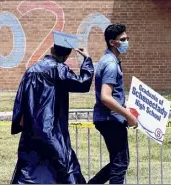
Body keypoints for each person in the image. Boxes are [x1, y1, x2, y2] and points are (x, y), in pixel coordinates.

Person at [10, 31, 94, 184]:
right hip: (52, 131)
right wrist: (87, 60)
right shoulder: (59, 69)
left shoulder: (31, 70)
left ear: (52, 49)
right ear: (67, 55)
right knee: (66, 170)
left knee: (29, 172)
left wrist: (19, 122)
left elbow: (20, 99)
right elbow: (83, 83)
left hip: (31, 131)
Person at [88, 23, 137, 184]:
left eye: (127, 38)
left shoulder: (108, 60)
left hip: (108, 119)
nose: (126, 42)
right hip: (111, 120)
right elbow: (106, 97)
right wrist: (128, 115)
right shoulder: (110, 64)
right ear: (112, 42)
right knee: (120, 164)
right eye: (122, 39)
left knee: (119, 162)